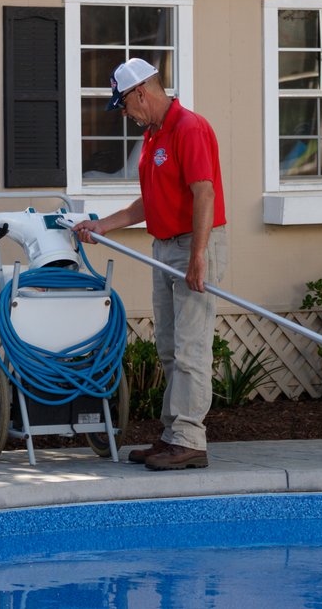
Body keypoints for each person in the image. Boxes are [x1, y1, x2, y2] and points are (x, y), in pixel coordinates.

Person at [73, 58, 227, 471]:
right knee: (170, 348)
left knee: (191, 347)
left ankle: (190, 440)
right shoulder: (154, 137)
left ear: (141, 91)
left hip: (196, 244)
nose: (124, 113)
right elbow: (149, 202)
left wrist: (198, 257)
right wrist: (102, 225)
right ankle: (172, 435)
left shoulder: (188, 128)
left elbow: (204, 195)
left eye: (124, 104)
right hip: (164, 245)